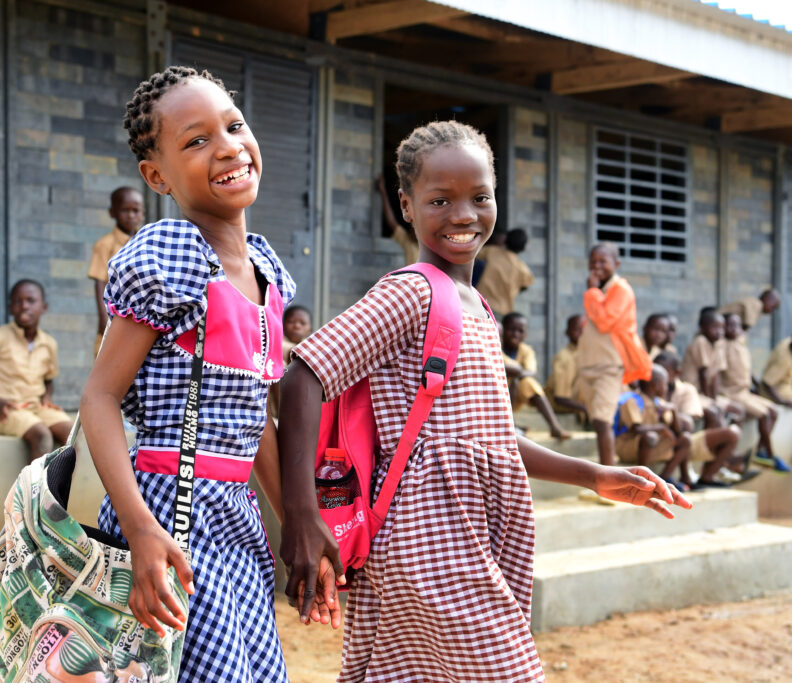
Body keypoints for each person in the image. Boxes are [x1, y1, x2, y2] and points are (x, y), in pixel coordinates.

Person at [277, 120, 690, 682]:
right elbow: (304, 375)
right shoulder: (411, 291)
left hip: (473, 531)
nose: (463, 215)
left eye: (479, 197)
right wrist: (301, 515)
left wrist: (593, 475)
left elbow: (489, 435)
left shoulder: (478, 309)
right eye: (439, 200)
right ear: (405, 205)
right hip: (427, 539)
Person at [78, 66, 312, 681]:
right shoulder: (166, 257)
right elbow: (100, 398)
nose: (229, 146)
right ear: (156, 176)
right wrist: (139, 529)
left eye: (234, 126)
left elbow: (252, 416)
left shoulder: (267, 270)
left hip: (237, 518)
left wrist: (295, 524)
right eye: (196, 140)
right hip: (170, 513)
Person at [0, 279, 72, 462]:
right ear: (10, 308)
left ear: (44, 307)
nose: (24, 306)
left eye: (31, 300)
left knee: (72, 434)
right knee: (42, 436)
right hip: (4, 412)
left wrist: (47, 397)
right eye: (17, 301)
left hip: (35, 408)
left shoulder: (49, 344)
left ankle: (58, 489)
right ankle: (32, 491)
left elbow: (49, 379)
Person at [575, 242, 653, 466]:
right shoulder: (601, 290)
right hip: (590, 365)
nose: (597, 266)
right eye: (593, 262)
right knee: (596, 421)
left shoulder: (621, 289)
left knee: (602, 421)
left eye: (603, 261)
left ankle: (608, 477)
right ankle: (605, 473)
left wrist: (591, 291)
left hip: (609, 366)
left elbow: (604, 321)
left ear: (616, 264)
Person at [655, 351, 748, 484]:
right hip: (659, 439)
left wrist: (670, 411)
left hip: (681, 440)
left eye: (665, 371)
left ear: (676, 373)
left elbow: (686, 425)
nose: (660, 375)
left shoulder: (687, 390)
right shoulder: (649, 386)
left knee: (732, 432)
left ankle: (708, 476)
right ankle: (673, 478)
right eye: (656, 370)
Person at [721, 313, 788, 472]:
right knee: (764, 414)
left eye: (736, 326)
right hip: (732, 393)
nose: (733, 329)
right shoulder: (722, 346)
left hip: (745, 392)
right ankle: (770, 455)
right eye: (729, 325)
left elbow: (746, 371)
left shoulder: (740, 344)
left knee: (773, 410)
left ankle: (760, 451)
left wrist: (756, 385)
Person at [87, 186, 145, 360]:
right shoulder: (105, 244)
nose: (131, 215)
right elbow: (100, 282)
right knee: (108, 358)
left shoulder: (145, 243)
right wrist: (103, 319)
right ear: (112, 212)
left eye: (135, 210)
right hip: (115, 314)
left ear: (142, 213)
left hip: (141, 315)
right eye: (125, 210)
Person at [614, 366, 690, 490]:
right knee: (650, 436)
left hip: (651, 446)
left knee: (685, 439)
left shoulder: (659, 403)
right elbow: (635, 429)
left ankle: (665, 478)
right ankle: (641, 480)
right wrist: (661, 428)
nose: (666, 388)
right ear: (655, 386)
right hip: (628, 447)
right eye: (664, 384)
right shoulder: (632, 400)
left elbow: (676, 432)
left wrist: (674, 411)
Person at [502, 312, 571, 439]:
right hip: (497, 397)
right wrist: (516, 370)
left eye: (520, 331)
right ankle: (509, 425)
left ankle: (554, 426)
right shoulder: (495, 347)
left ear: (525, 333)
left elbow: (531, 371)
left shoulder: (526, 350)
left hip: (515, 395)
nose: (515, 334)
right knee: (516, 379)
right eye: (511, 330)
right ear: (503, 330)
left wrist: (515, 372)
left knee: (527, 383)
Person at [680, 310, 744, 425]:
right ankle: (713, 441)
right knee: (716, 412)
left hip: (706, 395)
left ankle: (731, 439)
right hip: (693, 393)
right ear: (702, 328)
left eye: (721, 328)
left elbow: (716, 375)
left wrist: (714, 399)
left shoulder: (717, 345)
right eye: (714, 327)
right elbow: (703, 374)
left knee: (738, 410)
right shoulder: (700, 341)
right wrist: (711, 400)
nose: (719, 331)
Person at [475, 226, 534, 317]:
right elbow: (526, 284)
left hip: (481, 303)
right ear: (523, 248)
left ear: (505, 239)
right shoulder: (522, 269)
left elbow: (474, 253)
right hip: (503, 311)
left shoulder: (492, 251)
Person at [545, 313, 588, 417]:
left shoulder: (588, 353)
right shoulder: (564, 357)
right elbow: (560, 398)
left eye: (584, 329)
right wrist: (588, 409)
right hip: (562, 403)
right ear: (567, 332)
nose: (581, 333)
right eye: (576, 330)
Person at [374, 173, 418, 265]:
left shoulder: (429, 247)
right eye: (412, 227)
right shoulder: (407, 240)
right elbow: (391, 221)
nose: (413, 230)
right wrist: (383, 191)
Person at [762, 335, 792, 406]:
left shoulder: (787, 342)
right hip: (775, 391)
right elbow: (767, 383)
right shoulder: (783, 361)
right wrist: (781, 401)